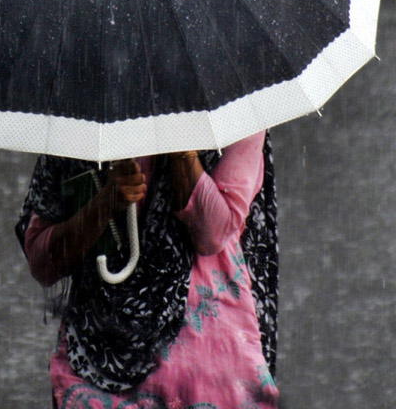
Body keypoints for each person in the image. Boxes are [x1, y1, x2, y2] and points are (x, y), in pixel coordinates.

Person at [16, 131, 279, 408]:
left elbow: (211, 233)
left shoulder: (232, 113)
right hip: (96, 358)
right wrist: (104, 204)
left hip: (205, 364)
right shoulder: (82, 118)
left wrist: (178, 132)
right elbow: (43, 262)